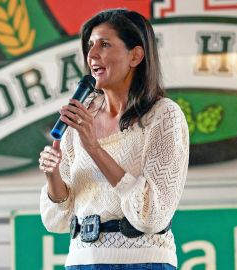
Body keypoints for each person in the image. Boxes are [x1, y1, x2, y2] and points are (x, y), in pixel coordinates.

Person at [38, 8, 190, 270]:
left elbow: (152, 214)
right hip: (80, 261)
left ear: (136, 55)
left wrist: (94, 148)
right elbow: (58, 220)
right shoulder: (80, 119)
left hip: (143, 262)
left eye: (104, 44)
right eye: (90, 46)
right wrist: (53, 175)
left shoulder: (164, 116)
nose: (92, 54)